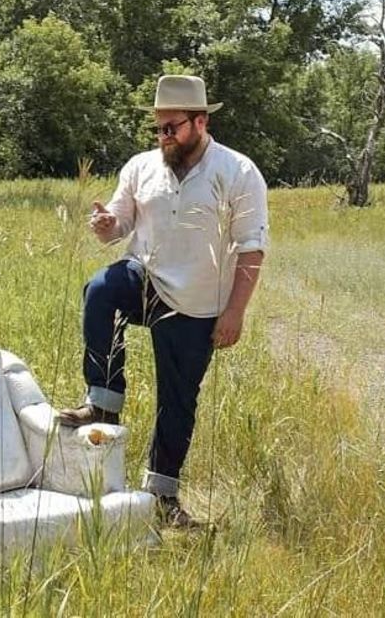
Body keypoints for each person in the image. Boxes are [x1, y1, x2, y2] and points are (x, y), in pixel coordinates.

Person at [57, 74, 269, 528]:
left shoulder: (238, 172)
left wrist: (234, 313)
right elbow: (119, 226)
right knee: (101, 289)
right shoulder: (141, 166)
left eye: (171, 127)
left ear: (200, 121)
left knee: (178, 401)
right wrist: (105, 226)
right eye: (158, 128)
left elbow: (251, 248)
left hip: (198, 302)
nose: (163, 136)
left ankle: (161, 499)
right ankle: (103, 401)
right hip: (146, 279)